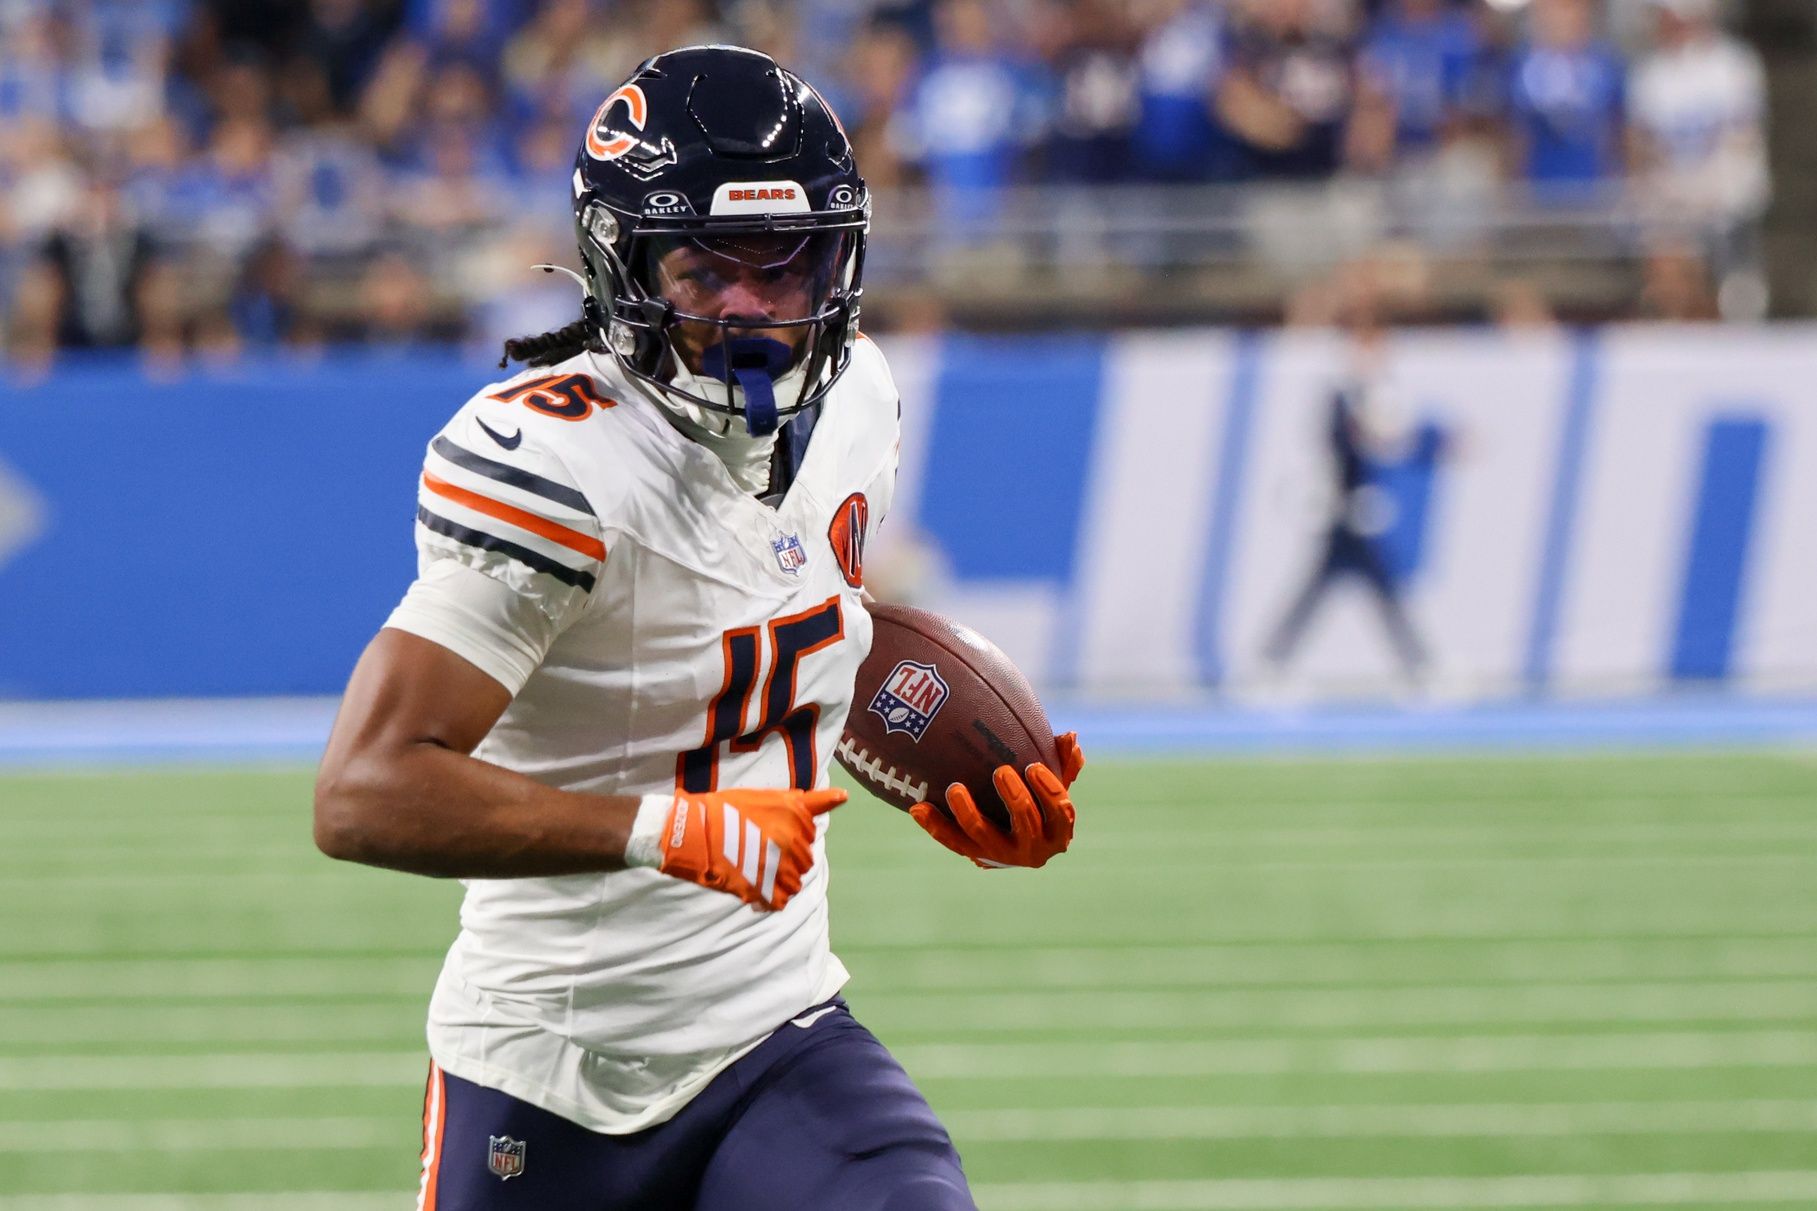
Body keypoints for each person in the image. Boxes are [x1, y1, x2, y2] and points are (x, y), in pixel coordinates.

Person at [312, 45, 1083, 1211]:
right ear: (619, 263)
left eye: (788, 260)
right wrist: (666, 832)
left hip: (777, 1030)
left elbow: (788, 629)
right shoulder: (552, 458)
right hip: (553, 1067)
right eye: (705, 265)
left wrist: (938, 766)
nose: (750, 305)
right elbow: (364, 790)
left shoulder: (856, 401)